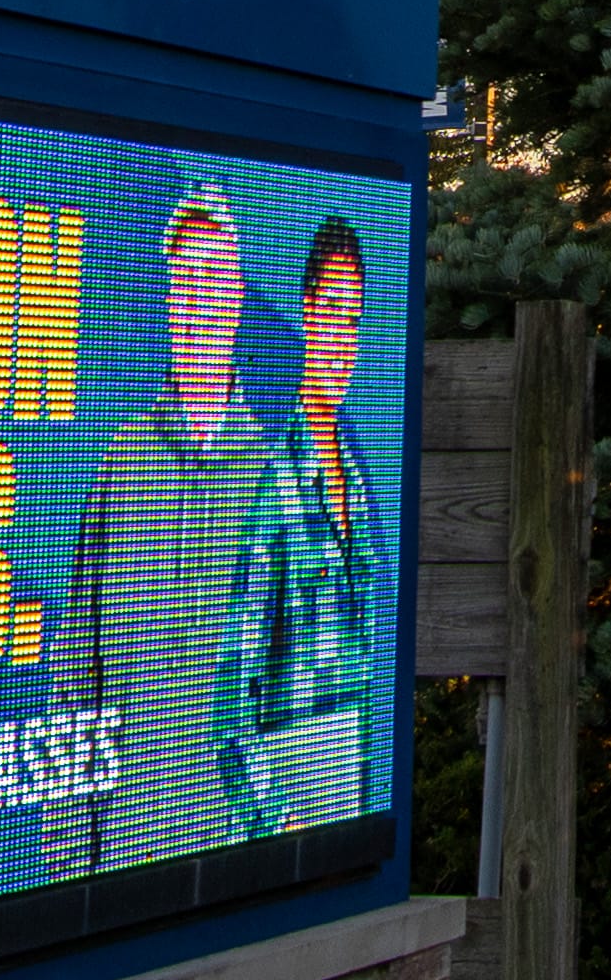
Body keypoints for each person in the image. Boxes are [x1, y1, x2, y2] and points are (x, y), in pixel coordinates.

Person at [52, 189, 283, 878]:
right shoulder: (124, 459)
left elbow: (298, 685)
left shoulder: (274, 473)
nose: (200, 303)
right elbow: (76, 673)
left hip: (234, 855)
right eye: (185, 281)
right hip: (127, 850)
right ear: (167, 300)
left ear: (239, 296)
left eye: (216, 277)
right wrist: (68, 858)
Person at [213, 216, 390, 836]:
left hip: (355, 770)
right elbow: (237, 675)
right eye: (332, 309)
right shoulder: (275, 475)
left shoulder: (362, 473)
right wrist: (269, 814)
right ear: (307, 314)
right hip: (290, 771)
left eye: (356, 316)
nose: (343, 336)